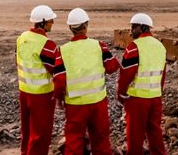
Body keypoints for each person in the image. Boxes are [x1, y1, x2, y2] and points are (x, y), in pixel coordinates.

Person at [53, 8, 120, 155]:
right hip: (98, 103)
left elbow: (58, 81)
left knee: (74, 140)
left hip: (75, 105)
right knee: (101, 140)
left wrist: (59, 99)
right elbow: (112, 67)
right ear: (86, 25)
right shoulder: (99, 46)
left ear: (70, 27)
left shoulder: (62, 51)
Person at [117, 13, 167, 155]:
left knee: (135, 134)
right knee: (155, 132)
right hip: (155, 97)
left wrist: (121, 93)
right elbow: (162, 73)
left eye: (134, 27)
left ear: (142, 27)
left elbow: (126, 74)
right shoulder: (160, 46)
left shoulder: (134, 47)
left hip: (137, 99)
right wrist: (159, 91)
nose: (131, 30)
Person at [16, 4, 59, 155]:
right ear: (43, 22)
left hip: (24, 92)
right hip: (42, 95)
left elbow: (18, 60)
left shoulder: (22, 38)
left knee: (26, 130)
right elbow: (56, 69)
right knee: (40, 134)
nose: (52, 23)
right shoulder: (47, 44)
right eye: (50, 20)